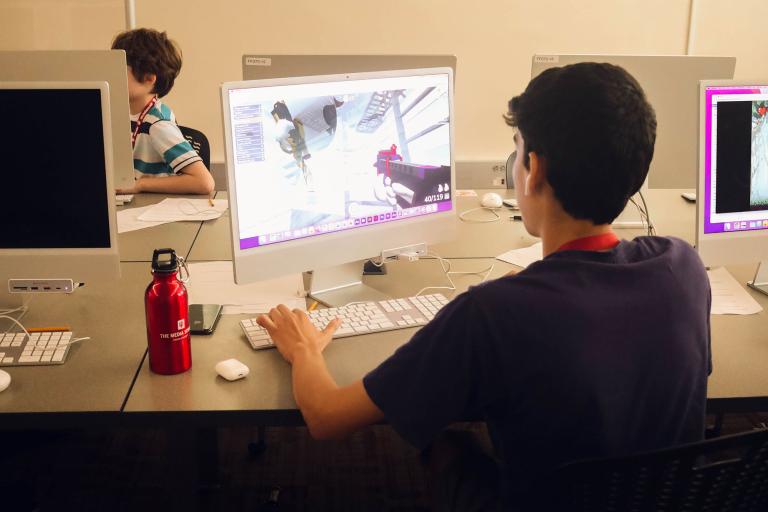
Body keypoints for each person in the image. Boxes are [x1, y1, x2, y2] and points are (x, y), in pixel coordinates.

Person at [256, 63, 712, 510]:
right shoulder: (683, 268)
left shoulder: (493, 313)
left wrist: (304, 351)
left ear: (532, 168)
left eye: (516, 150)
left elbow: (327, 416)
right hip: (663, 497)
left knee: (447, 443)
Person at [111, 28, 214, 195]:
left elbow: (204, 182)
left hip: (151, 208)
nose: (112, 75)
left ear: (149, 78)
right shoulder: (122, 112)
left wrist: (140, 185)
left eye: (120, 69)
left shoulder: (158, 124)